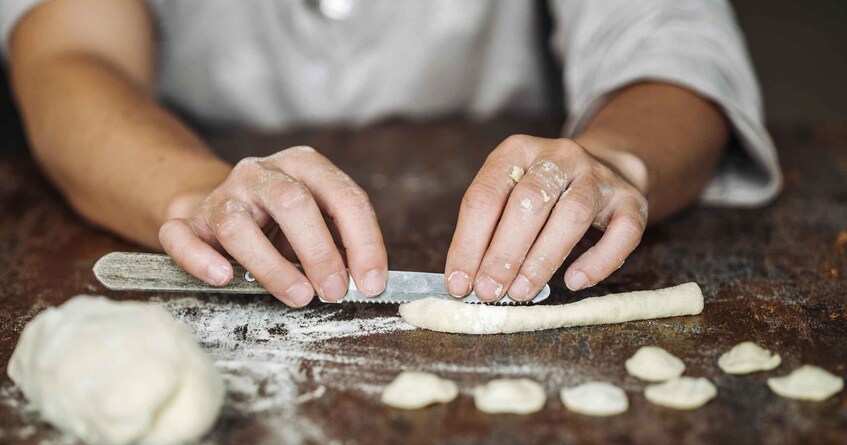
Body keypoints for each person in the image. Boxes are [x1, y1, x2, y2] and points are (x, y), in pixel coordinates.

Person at [2, 0, 780, 307]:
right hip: (170, 153)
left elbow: (674, 45)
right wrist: (187, 190)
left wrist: (620, 160)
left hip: (500, 168)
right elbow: (69, 55)